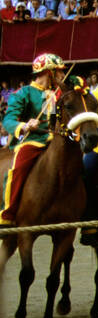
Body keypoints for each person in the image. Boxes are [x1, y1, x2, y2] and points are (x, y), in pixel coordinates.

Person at [0, 54, 71, 224]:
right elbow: (8, 120)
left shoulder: (56, 93)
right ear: (48, 73)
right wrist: (24, 126)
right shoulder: (23, 93)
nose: (62, 76)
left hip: (55, 140)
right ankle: (7, 213)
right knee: (18, 167)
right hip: (33, 140)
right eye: (59, 72)